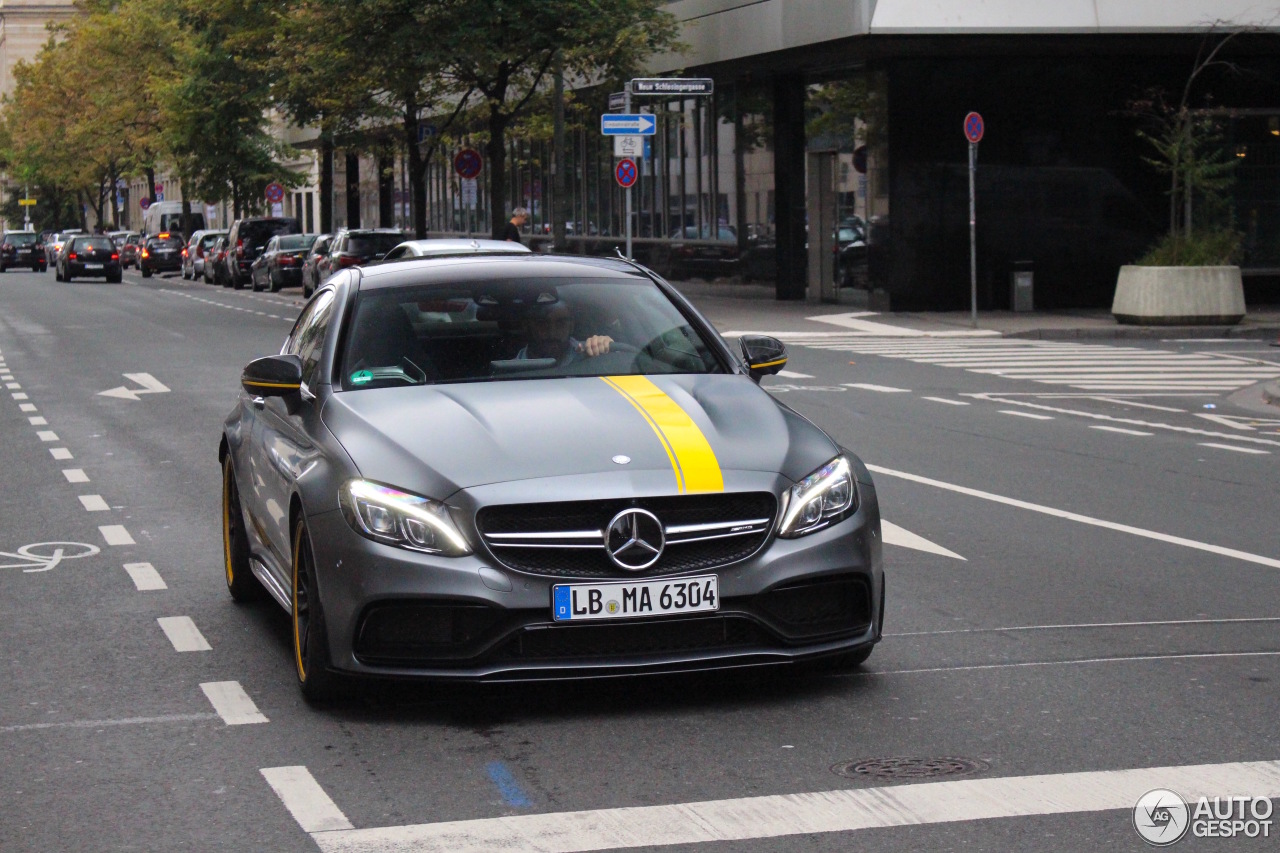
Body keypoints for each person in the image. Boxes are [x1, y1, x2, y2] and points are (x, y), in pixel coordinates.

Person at [515, 302, 612, 365]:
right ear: (526, 326)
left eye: (561, 323)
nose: (552, 332)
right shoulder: (509, 371)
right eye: (542, 323)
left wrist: (607, 347)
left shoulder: (590, 355)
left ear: (571, 326)